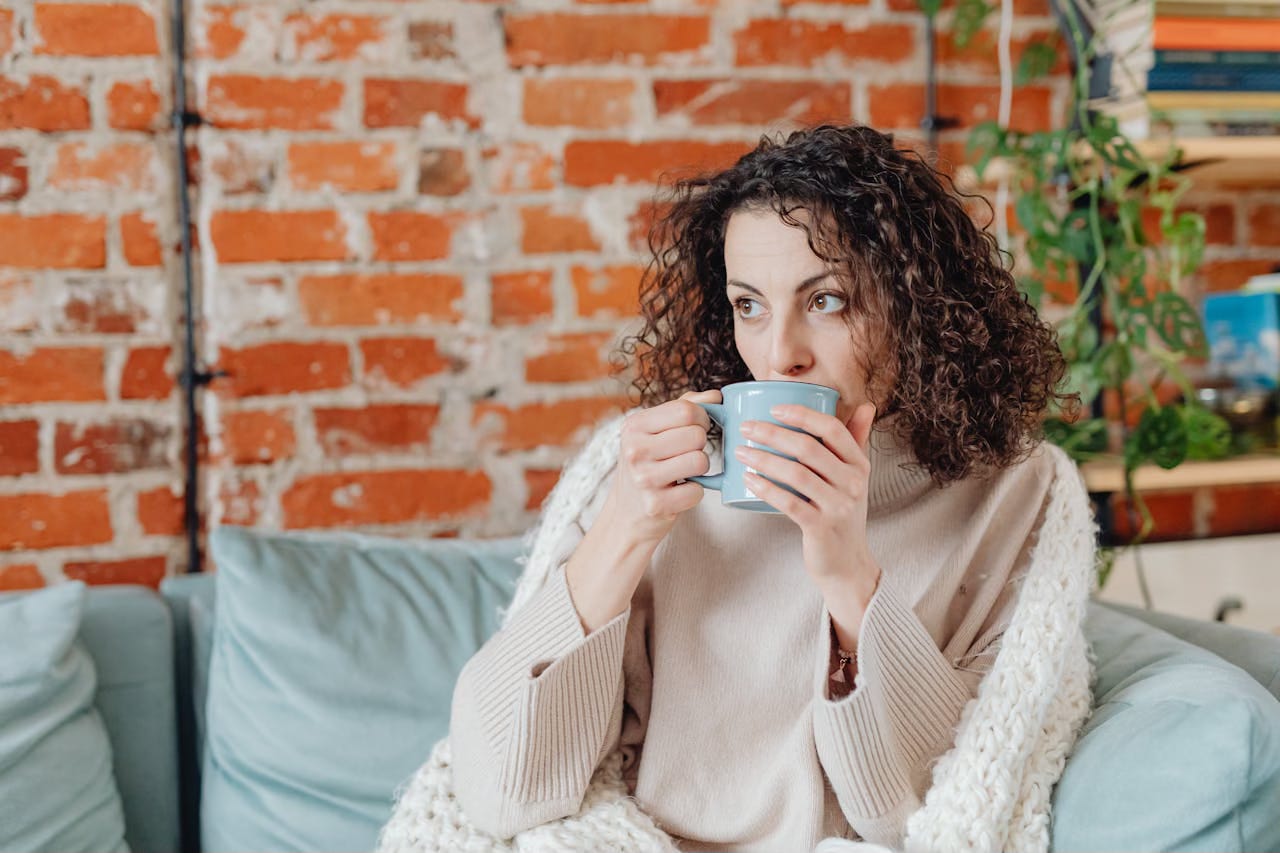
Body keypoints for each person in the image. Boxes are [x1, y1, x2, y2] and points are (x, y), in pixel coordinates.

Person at [383, 124, 1098, 853]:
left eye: (826, 301)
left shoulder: (1016, 494)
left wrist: (848, 574)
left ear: (915, 303)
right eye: (749, 305)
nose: (778, 352)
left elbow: (930, 817)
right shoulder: (650, 468)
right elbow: (503, 788)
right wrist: (624, 530)